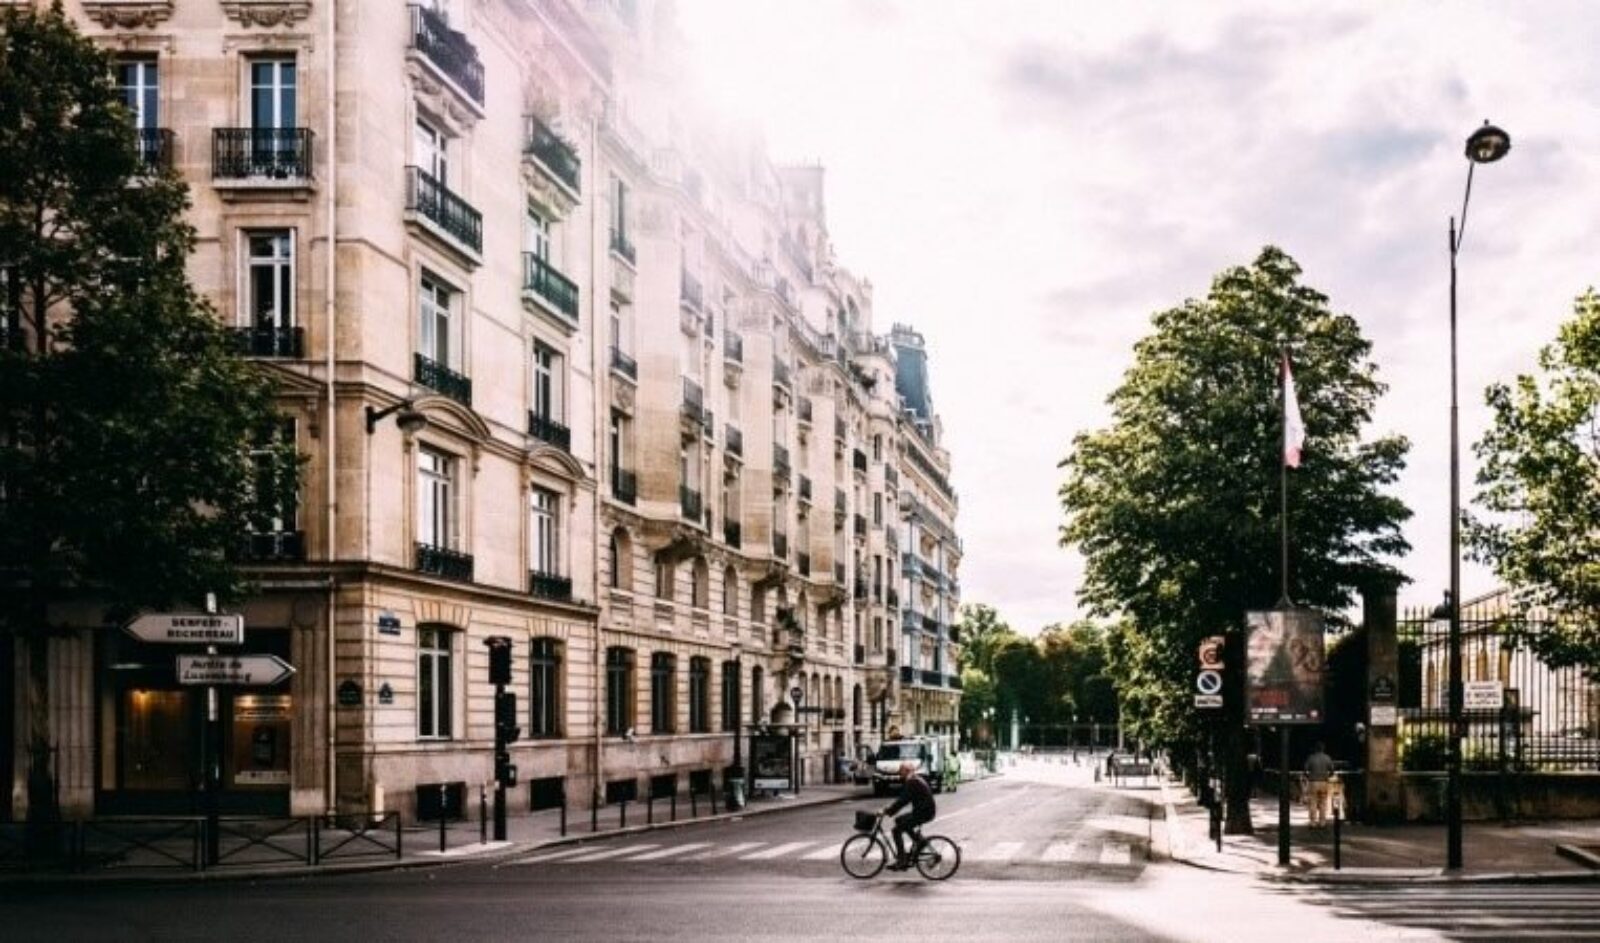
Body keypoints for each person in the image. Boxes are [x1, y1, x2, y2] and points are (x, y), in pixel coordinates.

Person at [880, 761, 936, 870]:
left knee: (896, 831)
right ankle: (919, 842)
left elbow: (903, 801)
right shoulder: (916, 779)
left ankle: (902, 860)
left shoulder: (912, 782)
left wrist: (887, 811)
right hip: (924, 811)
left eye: (901, 771)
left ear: (906, 771)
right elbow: (904, 799)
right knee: (899, 820)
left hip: (923, 813)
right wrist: (890, 811)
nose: (900, 774)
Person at [1304, 741, 1334, 828]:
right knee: (1323, 803)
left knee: (1313, 802)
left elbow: (1305, 770)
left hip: (1313, 782)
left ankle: (1313, 822)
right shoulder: (1327, 758)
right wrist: (1327, 776)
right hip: (1323, 782)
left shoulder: (1311, 758)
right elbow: (1332, 771)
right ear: (1323, 748)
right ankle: (1322, 822)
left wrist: (1309, 776)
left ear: (1315, 748)